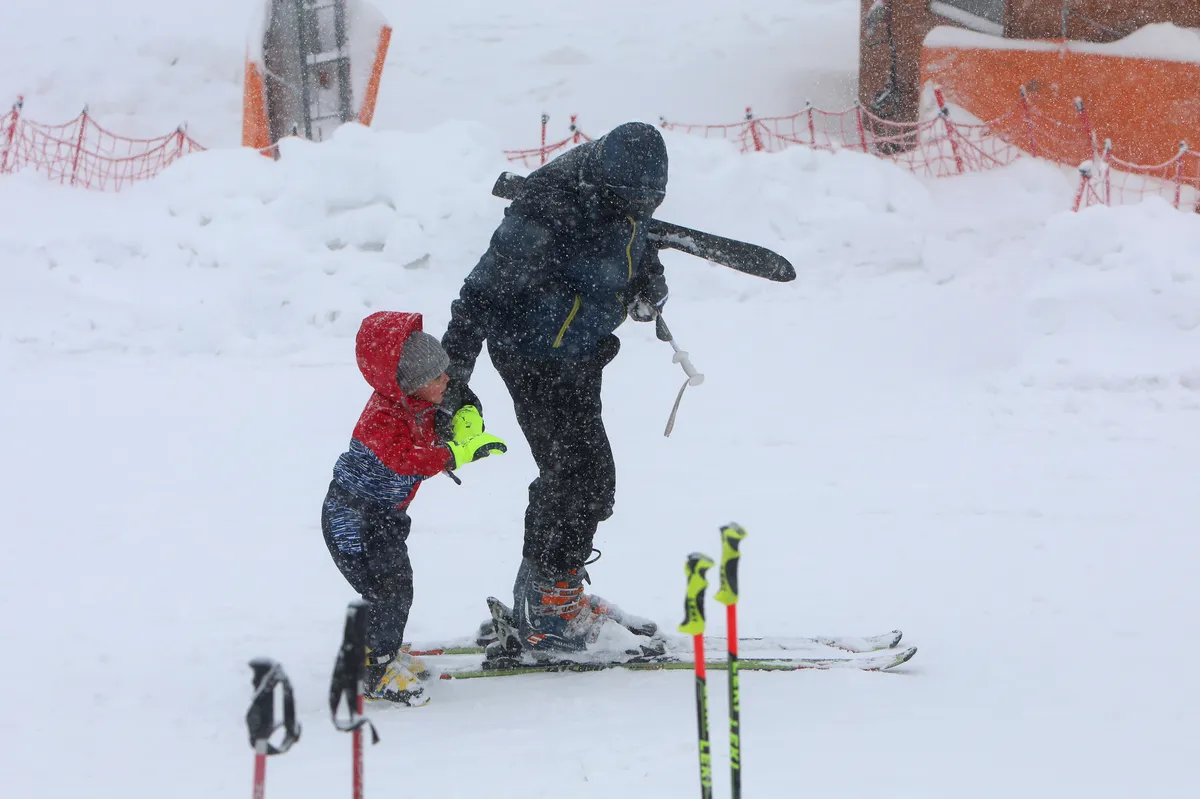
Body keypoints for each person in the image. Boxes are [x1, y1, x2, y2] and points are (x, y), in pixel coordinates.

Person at [440, 121, 671, 655]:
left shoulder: (627, 195)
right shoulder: (547, 206)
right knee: (581, 476)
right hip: (531, 354)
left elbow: (637, 243)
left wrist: (647, 281)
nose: (641, 209)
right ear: (606, 185)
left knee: (584, 476)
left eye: (650, 201)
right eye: (632, 200)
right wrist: (451, 383)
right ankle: (549, 608)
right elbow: (477, 295)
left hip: (580, 352)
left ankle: (545, 596)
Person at [322, 310, 506, 705]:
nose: (447, 381)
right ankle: (374, 669)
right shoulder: (382, 420)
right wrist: (456, 453)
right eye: (437, 377)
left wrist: (465, 416)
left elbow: (447, 404)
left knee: (393, 588)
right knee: (389, 591)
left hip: (383, 517)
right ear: (411, 384)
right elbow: (407, 460)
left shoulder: (413, 401)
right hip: (353, 520)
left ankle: (382, 651)